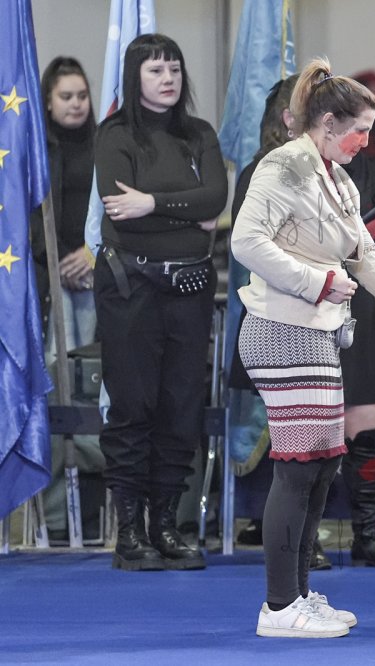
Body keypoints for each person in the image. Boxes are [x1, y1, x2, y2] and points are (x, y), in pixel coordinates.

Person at [231, 58, 375, 639]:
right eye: (360, 131)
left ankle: (299, 594)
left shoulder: (339, 180)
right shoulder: (283, 165)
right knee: (298, 471)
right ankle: (279, 607)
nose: (366, 142)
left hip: (318, 334)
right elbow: (245, 241)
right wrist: (316, 281)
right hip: (281, 332)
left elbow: (369, 263)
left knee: (322, 468)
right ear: (327, 123)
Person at [93, 34, 227, 571]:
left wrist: (151, 201)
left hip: (190, 287)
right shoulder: (115, 134)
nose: (168, 78)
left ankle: (165, 525)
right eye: (155, 70)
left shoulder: (199, 133)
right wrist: (187, 214)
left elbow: (216, 199)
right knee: (133, 405)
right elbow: (120, 213)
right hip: (131, 286)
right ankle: (129, 534)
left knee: (181, 407)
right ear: (135, 77)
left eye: (174, 68)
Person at [30, 56, 98, 362]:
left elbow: (113, 206)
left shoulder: (104, 144)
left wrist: (90, 253)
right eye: (66, 96)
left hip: (95, 267)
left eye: (82, 96)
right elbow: (31, 213)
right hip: (50, 270)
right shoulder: (35, 151)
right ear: (48, 101)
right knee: (56, 361)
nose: (76, 104)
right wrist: (59, 259)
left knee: (92, 360)